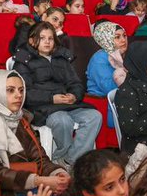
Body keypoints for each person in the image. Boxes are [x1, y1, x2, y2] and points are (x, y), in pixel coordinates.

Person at [13, 21, 101, 167]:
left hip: (67, 103)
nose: (47, 42)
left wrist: (74, 96)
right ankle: (63, 156)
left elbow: (76, 83)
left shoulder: (61, 58)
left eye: (50, 38)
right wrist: (51, 98)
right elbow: (24, 93)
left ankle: (69, 160)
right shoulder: (23, 61)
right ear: (31, 40)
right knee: (62, 120)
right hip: (42, 107)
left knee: (94, 117)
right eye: (42, 38)